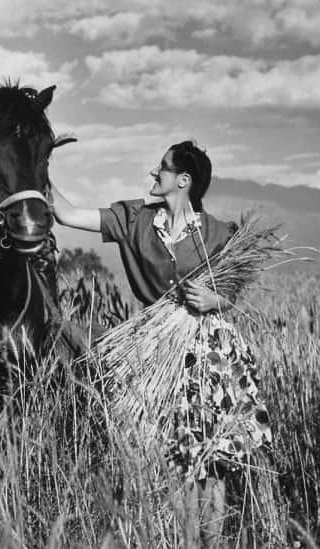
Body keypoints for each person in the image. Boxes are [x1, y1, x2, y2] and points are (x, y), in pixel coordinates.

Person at [51, 140, 276, 548]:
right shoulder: (134, 218)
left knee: (209, 462)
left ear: (183, 181)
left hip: (208, 357)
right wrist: (34, 163)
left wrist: (213, 301)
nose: (155, 174)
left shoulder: (220, 235)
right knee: (165, 457)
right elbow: (65, 213)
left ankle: (211, 543)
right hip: (153, 353)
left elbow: (232, 295)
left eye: (163, 169)